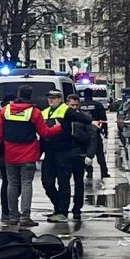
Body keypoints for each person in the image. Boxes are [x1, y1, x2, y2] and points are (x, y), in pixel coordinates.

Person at [0, 85, 62, 228]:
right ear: (31, 96)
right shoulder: (34, 112)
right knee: (26, 184)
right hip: (28, 154)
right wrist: (58, 127)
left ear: (18, 94)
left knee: (12, 184)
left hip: (10, 154)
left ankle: (12, 216)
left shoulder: (6, 110)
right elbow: (45, 133)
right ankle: (25, 217)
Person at [40, 89, 95, 223]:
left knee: (63, 183)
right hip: (49, 152)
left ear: (60, 99)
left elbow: (87, 119)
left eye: (54, 98)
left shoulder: (66, 110)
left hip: (64, 152)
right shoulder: (44, 112)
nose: (51, 100)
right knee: (47, 183)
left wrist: (75, 114)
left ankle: (62, 212)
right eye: (49, 97)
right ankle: (58, 206)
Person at [66, 94, 98, 221]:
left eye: (76, 105)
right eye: (71, 105)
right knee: (64, 183)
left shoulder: (84, 118)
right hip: (66, 153)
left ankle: (77, 209)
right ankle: (63, 207)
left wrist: (90, 155)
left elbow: (92, 136)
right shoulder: (64, 116)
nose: (74, 107)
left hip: (80, 154)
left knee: (79, 183)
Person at [0, 94, 17, 222]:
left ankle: (10, 208)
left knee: (13, 183)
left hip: (11, 153)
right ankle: (7, 210)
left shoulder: (3, 113)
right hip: (3, 154)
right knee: (8, 182)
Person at [79, 88, 110, 179]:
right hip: (95, 131)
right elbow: (103, 119)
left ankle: (89, 171)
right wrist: (105, 131)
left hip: (83, 133)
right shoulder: (98, 105)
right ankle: (104, 172)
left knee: (87, 153)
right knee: (99, 153)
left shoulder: (80, 106)